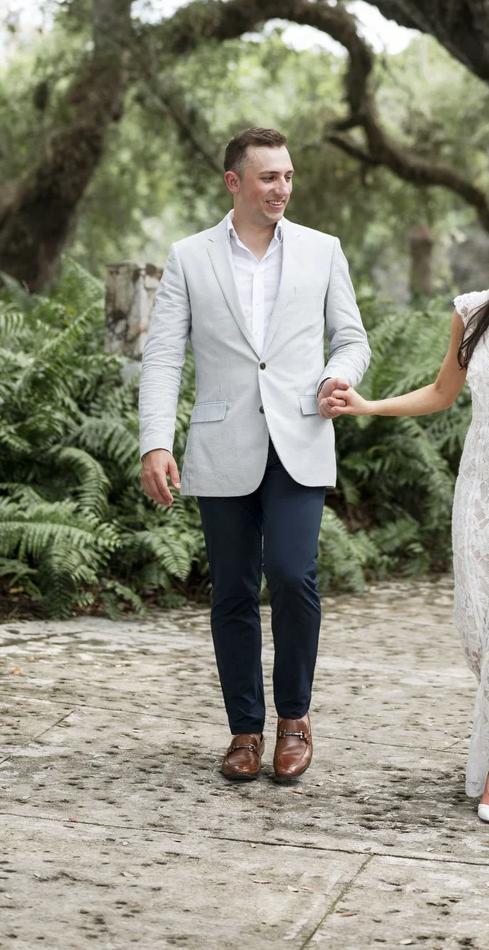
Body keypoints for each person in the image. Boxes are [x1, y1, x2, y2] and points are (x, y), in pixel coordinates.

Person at [328, 199, 489, 822]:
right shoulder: (469, 313)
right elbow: (443, 393)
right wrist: (367, 406)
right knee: (480, 625)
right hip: (481, 477)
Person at [139, 127, 370, 783]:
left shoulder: (323, 251)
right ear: (234, 182)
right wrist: (156, 440)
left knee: (295, 575)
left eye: (289, 176)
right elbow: (163, 355)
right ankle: (246, 730)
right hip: (222, 441)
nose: (283, 188)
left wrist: (337, 374)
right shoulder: (189, 257)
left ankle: (295, 717)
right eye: (269, 177)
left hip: (299, 437)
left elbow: (351, 337)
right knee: (233, 590)